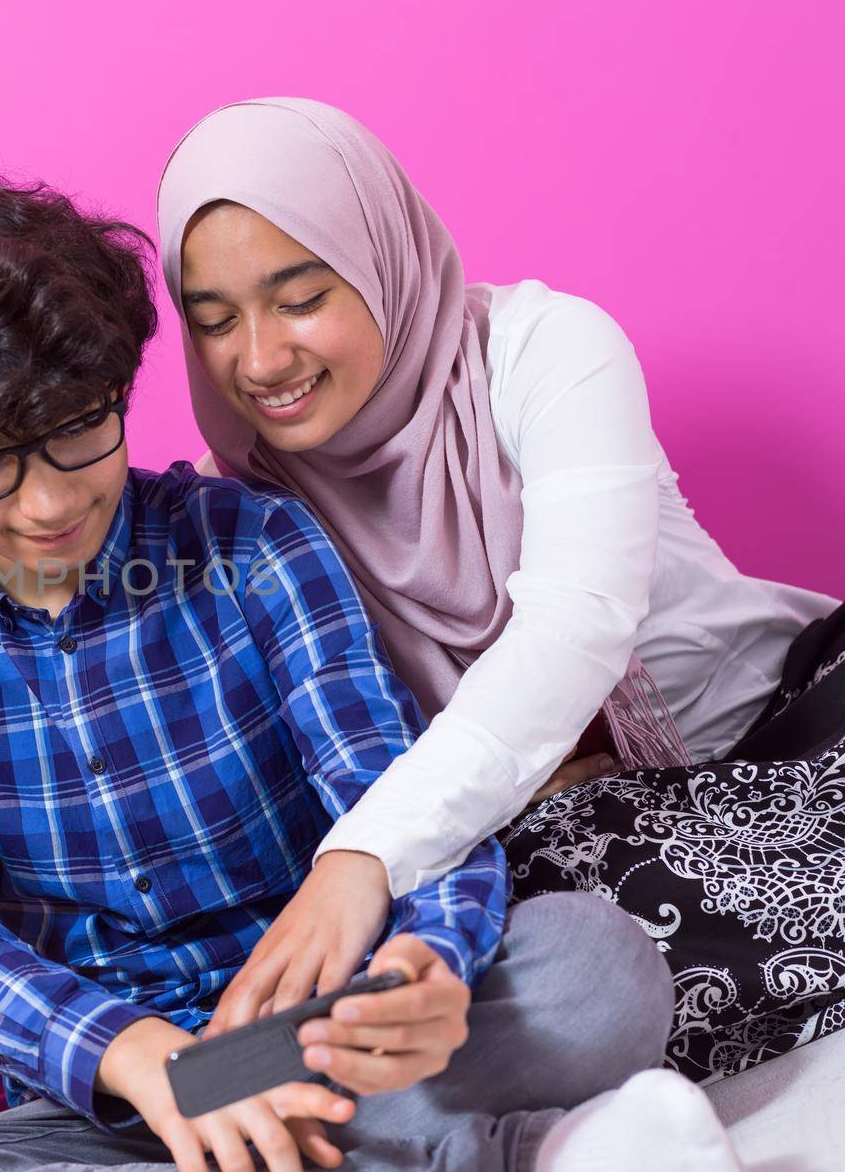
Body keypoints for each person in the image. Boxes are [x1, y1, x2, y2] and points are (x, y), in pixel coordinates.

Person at [0, 171, 739, 1171]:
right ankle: (524, 1155)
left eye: (78, 432)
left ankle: (293, 1140)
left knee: (593, 969)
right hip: (124, 1087)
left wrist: (428, 959)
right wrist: (139, 1056)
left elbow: (395, 790)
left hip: (328, 1030)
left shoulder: (254, 542)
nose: (45, 504)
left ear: (116, 390)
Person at [157, 97, 844, 1080]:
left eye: (300, 298)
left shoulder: (545, 351)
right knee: (558, 943)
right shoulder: (252, 513)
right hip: (594, 836)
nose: (259, 360)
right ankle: (223, 1083)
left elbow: (573, 628)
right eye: (213, 320)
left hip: (790, 731)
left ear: (376, 256)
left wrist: (365, 857)